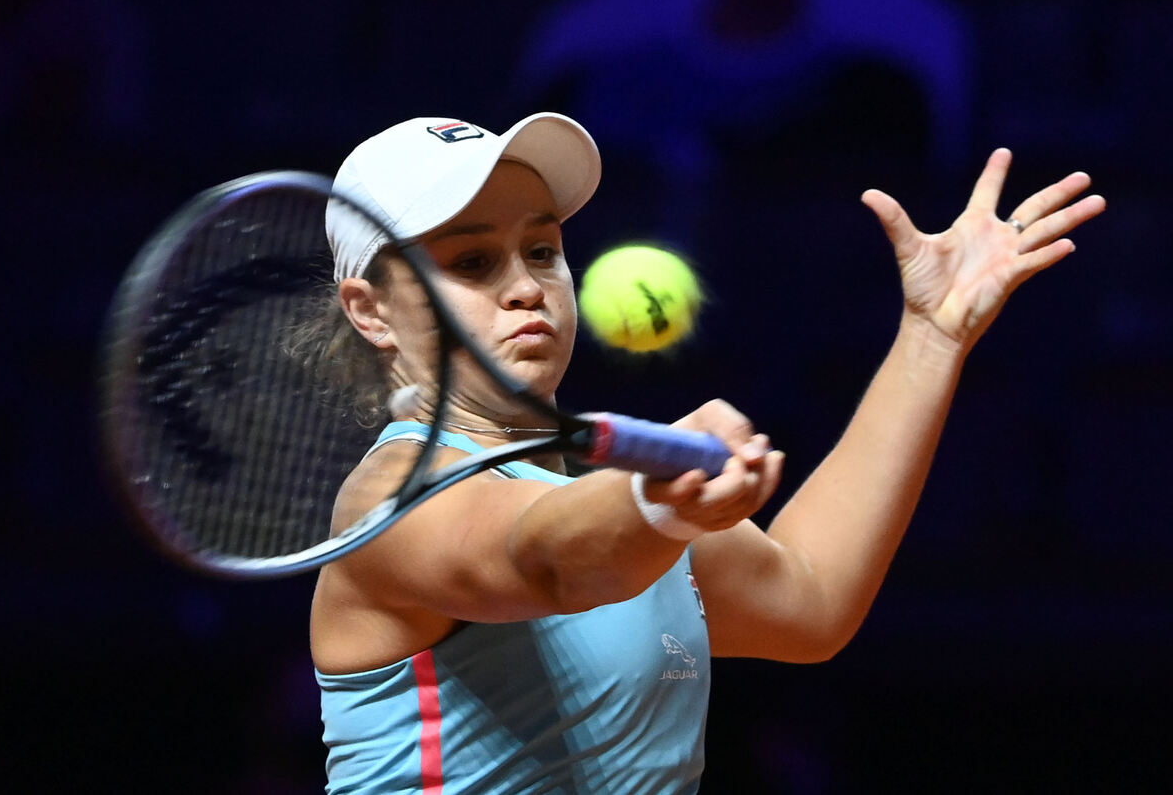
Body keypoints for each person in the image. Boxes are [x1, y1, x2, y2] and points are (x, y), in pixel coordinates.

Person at [304, 112, 1105, 794]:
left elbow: (812, 601)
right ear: (371, 310)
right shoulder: (391, 496)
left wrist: (932, 337)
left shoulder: (609, 495)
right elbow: (546, 557)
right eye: (473, 262)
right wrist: (654, 502)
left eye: (542, 250)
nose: (526, 286)